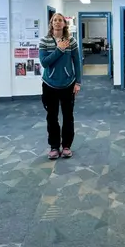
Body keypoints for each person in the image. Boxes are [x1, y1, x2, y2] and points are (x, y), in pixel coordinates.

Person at [39, 13, 82, 160]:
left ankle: (66, 146)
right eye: (55, 20)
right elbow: (44, 63)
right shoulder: (44, 41)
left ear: (64, 24)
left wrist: (78, 82)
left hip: (68, 84)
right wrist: (59, 50)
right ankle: (54, 147)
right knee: (52, 117)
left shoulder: (71, 41)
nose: (57, 23)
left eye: (60, 20)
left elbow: (77, 62)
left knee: (68, 117)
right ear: (51, 23)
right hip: (49, 84)